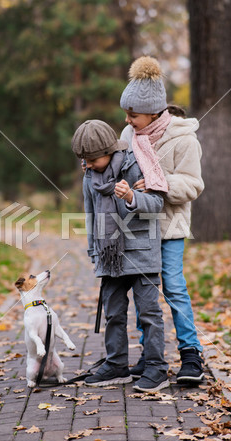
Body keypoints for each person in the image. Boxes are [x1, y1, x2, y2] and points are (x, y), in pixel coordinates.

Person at [119, 56, 205, 384]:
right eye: (126, 113)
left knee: (174, 287)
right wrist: (95, 165)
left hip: (169, 228)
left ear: (154, 112)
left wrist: (161, 183)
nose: (127, 119)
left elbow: (194, 184)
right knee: (144, 291)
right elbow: (117, 164)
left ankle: (191, 354)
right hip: (139, 226)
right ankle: (150, 353)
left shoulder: (183, 139)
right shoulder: (129, 135)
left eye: (133, 114)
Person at [71, 119, 169, 393]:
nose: (88, 165)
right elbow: (90, 215)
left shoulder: (138, 163)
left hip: (141, 253)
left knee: (149, 313)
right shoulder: (89, 177)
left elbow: (158, 205)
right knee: (113, 314)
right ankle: (116, 365)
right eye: (84, 160)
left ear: (108, 150)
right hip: (109, 254)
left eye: (91, 159)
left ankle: (156, 369)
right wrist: (94, 253)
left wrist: (131, 197)